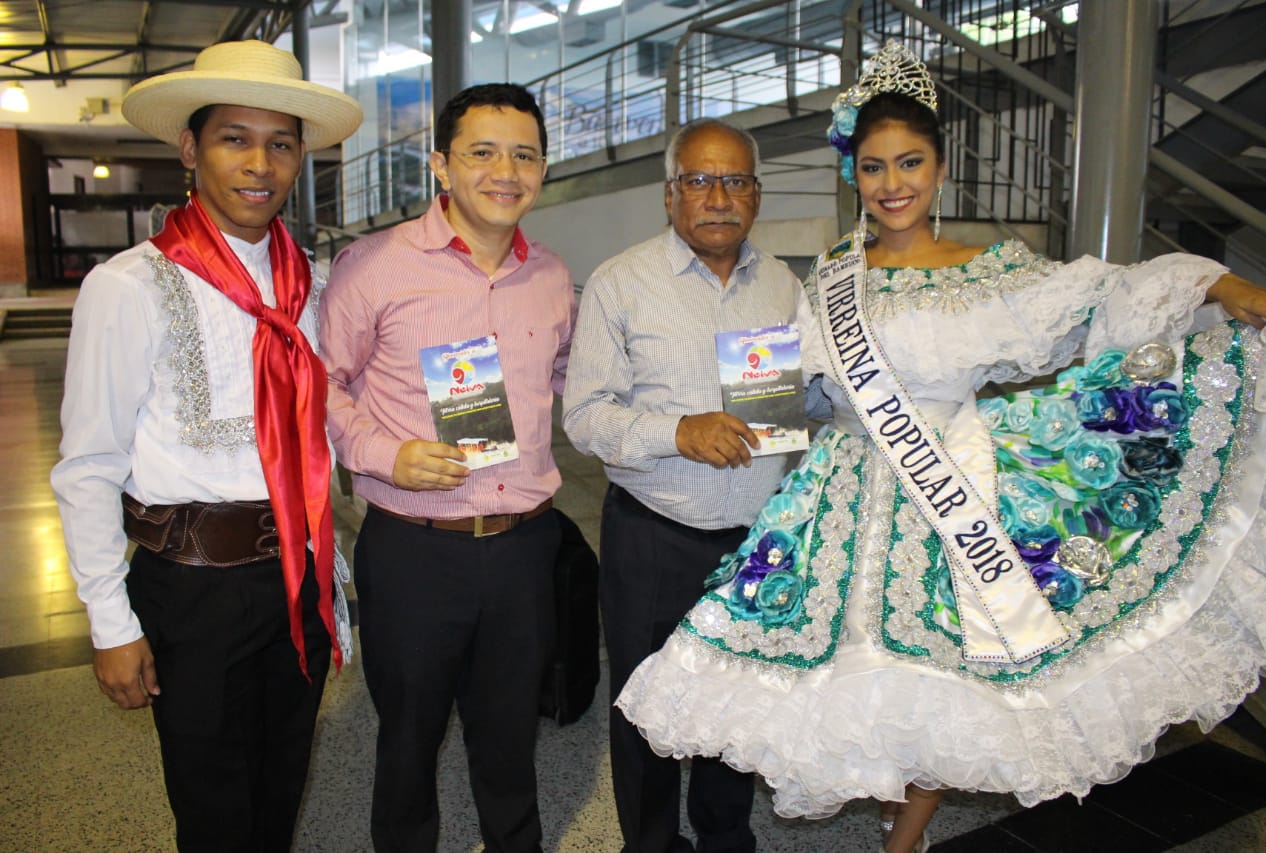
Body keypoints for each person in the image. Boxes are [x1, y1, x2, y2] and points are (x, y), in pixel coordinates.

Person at [614, 40, 1266, 853]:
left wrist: (1227, 286)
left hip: (952, 480)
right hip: (846, 486)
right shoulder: (827, 277)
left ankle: (904, 839)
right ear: (852, 176)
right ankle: (893, 814)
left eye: (910, 163)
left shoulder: (991, 270)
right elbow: (811, 393)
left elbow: (1108, 291)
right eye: (873, 167)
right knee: (853, 662)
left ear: (939, 167)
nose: (892, 184)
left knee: (952, 663)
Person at [49, 40, 363, 851]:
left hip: (295, 575)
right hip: (191, 589)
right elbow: (87, 468)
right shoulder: (129, 286)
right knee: (212, 804)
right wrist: (110, 622)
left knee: (281, 780)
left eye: (282, 142)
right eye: (234, 138)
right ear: (191, 148)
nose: (260, 163)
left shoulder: (316, 286)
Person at [320, 83, 575, 852]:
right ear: (441, 164)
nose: (507, 170)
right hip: (413, 549)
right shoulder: (375, 266)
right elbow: (320, 386)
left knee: (509, 736)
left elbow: (562, 380)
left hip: (525, 545)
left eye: (525, 153)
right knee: (408, 737)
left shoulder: (553, 275)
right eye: (483, 152)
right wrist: (383, 453)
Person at [563, 117, 804, 853]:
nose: (718, 197)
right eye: (700, 180)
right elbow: (584, 416)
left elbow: (801, 396)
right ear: (671, 195)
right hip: (653, 534)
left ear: (756, 196)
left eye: (735, 181)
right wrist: (678, 431)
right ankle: (650, 841)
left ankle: (725, 835)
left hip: (756, 540)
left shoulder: (786, 286)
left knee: (734, 699)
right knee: (646, 705)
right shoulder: (620, 282)